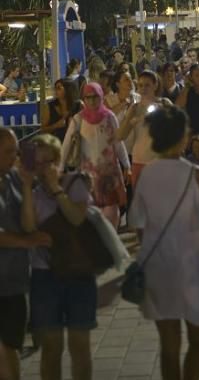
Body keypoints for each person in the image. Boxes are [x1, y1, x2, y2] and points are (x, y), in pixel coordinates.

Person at [128, 105, 199, 380]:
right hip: (191, 265)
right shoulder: (197, 175)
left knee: (169, 346)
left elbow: (139, 227)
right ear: (182, 136)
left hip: (158, 268)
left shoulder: (146, 176)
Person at [20, 134, 96, 380]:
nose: (43, 169)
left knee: (79, 346)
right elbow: (29, 227)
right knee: (51, 348)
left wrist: (55, 189)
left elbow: (77, 218)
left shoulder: (75, 182)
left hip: (78, 272)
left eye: (48, 161)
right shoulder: (31, 190)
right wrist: (27, 187)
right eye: (38, 163)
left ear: (58, 159)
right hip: (45, 275)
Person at [0, 128, 52, 380]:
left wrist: (31, 182)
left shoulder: (12, 178)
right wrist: (26, 241)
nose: (15, 156)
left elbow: (28, 221)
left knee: (11, 345)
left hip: (15, 280)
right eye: (9, 151)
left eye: (16, 150)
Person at [61, 83, 130, 228]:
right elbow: (66, 145)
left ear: (101, 97)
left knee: (111, 215)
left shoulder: (110, 117)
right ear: (84, 99)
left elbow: (118, 142)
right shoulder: (78, 120)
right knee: (92, 216)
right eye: (88, 97)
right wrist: (60, 168)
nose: (92, 101)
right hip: (88, 176)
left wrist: (127, 166)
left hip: (109, 174)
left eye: (96, 97)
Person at [117, 70, 164, 186]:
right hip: (138, 160)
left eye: (147, 85)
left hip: (158, 161)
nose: (143, 89)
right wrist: (130, 119)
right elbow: (120, 136)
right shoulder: (135, 108)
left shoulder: (164, 104)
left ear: (155, 85)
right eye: (141, 85)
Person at [41, 78, 81, 142]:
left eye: (59, 88)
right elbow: (43, 130)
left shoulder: (79, 105)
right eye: (55, 88)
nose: (55, 91)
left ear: (68, 89)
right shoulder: (49, 106)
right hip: (55, 144)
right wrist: (56, 125)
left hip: (74, 143)